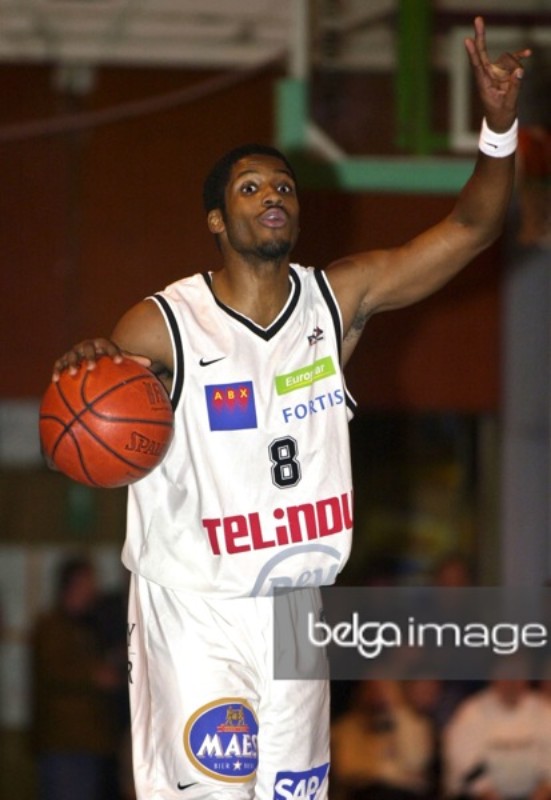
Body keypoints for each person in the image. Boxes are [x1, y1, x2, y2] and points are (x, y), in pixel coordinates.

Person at [50, 17, 529, 800]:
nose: (272, 195)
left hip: (294, 607)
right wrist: (88, 365)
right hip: (196, 606)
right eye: (250, 188)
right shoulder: (164, 323)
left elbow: (472, 227)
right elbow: (96, 419)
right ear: (216, 220)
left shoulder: (336, 300)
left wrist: (499, 126)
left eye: (282, 186)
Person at [31, 556, 121, 800]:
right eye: (89, 582)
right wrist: (94, 675)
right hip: (65, 743)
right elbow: (54, 670)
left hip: (89, 742)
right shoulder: (51, 627)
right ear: (73, 584)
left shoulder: (88, 626)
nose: (94, 589)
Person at [442, 673, 551, 800]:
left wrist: (544, 790)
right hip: (482, 796)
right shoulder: (471, 712)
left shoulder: (544, 710)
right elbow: (464, 764)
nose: (512, 683)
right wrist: (486, 792)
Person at [331, 679, 435, 800]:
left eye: (384, 689)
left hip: (405, 795)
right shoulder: (347, 728)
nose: (377, 695)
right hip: (365, 794)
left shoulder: (416, 723)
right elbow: (348, 770)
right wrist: (390, 773)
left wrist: (397, 712)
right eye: (372, 687)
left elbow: (416, 761)